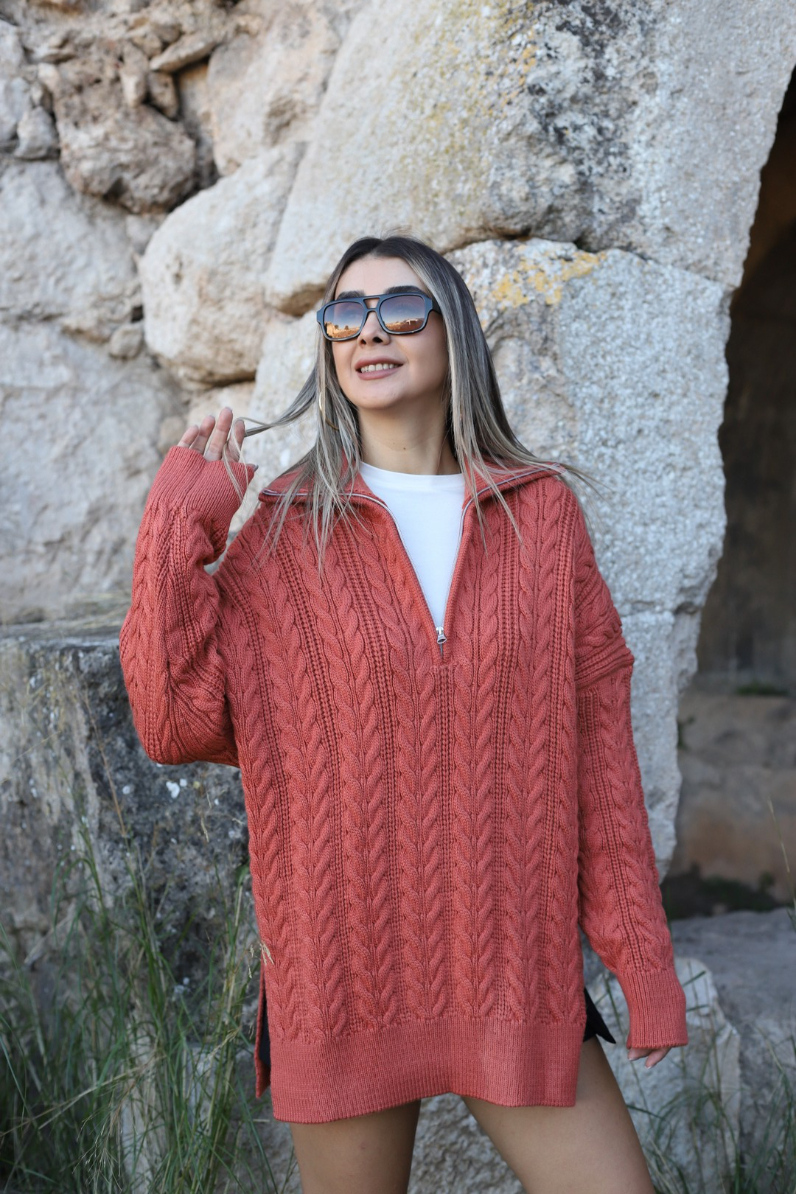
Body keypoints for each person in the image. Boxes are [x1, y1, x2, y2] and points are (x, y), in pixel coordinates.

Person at [120, 234, 688, 1194]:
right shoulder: (284, 534)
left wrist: (644, 963)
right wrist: (182, 522)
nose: (369, 331)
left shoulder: (542, 518)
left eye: (401, 309)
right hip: (342, 973)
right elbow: (172, 724)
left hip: (515, 967)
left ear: (453, 333)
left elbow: (600, 760)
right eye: (346, 314)